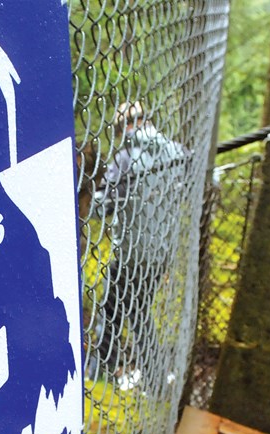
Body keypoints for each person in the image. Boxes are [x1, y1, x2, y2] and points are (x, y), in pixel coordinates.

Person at [93, 102, 187, 390]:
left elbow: (102, 207)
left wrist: (93, 194)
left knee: (127, 312)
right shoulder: (177, 152)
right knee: (123, 308)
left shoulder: (126, 158)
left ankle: (148, 378)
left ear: (124, 127)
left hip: (131, 255)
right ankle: (106, 371)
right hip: (161, 254)